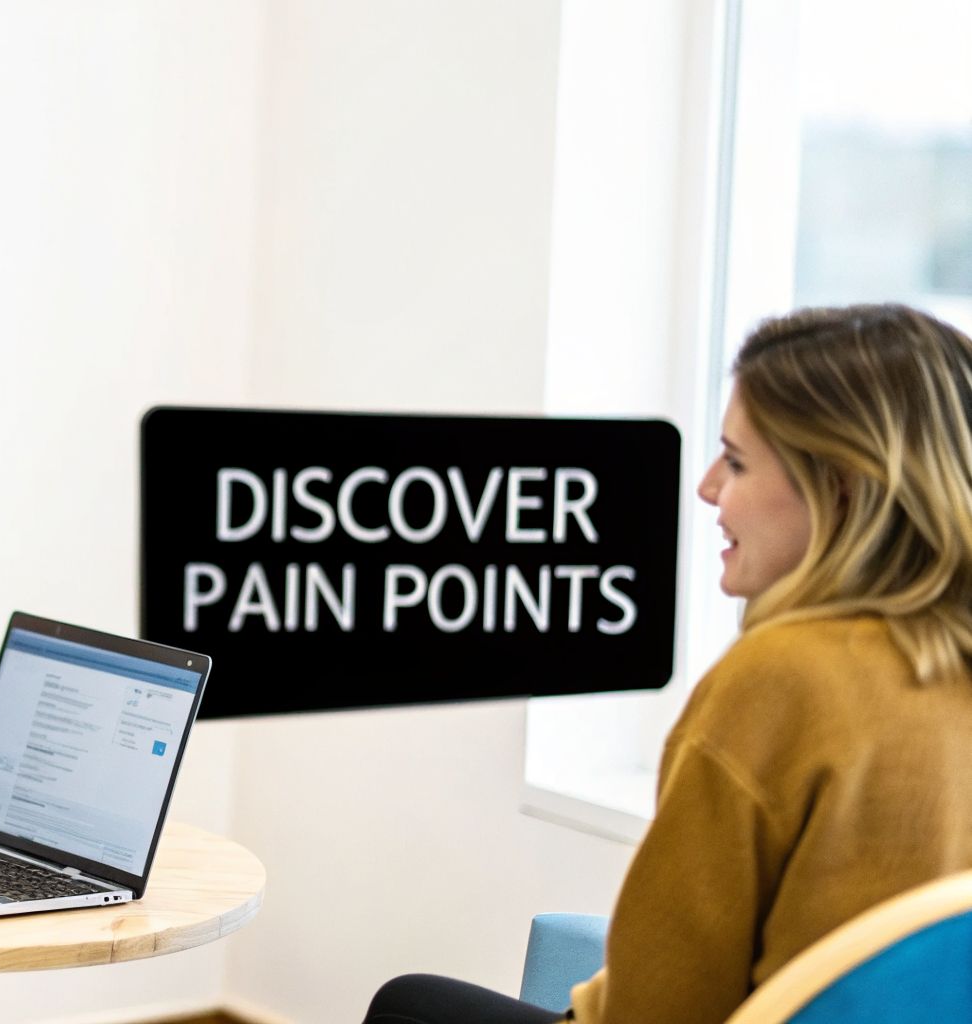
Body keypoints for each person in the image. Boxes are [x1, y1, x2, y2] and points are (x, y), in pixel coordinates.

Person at [364, 303, 972, 1024]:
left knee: (410, 1006)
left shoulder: (786, 679)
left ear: (840, 486)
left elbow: (656, 1006)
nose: (709, 486)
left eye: (738, 462)